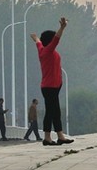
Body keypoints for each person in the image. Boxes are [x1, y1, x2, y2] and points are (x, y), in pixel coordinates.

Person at [31, 16, 73, 146]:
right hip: (49, 86)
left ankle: (59, 136)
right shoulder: (48, 51)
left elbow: (38, 42)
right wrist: (62, 28)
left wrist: (35, 37)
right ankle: (47, 137)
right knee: (51, 111)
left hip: (54, 86)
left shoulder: (42, 50)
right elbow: (56, 40)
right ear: (49, 42)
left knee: (55, 111)